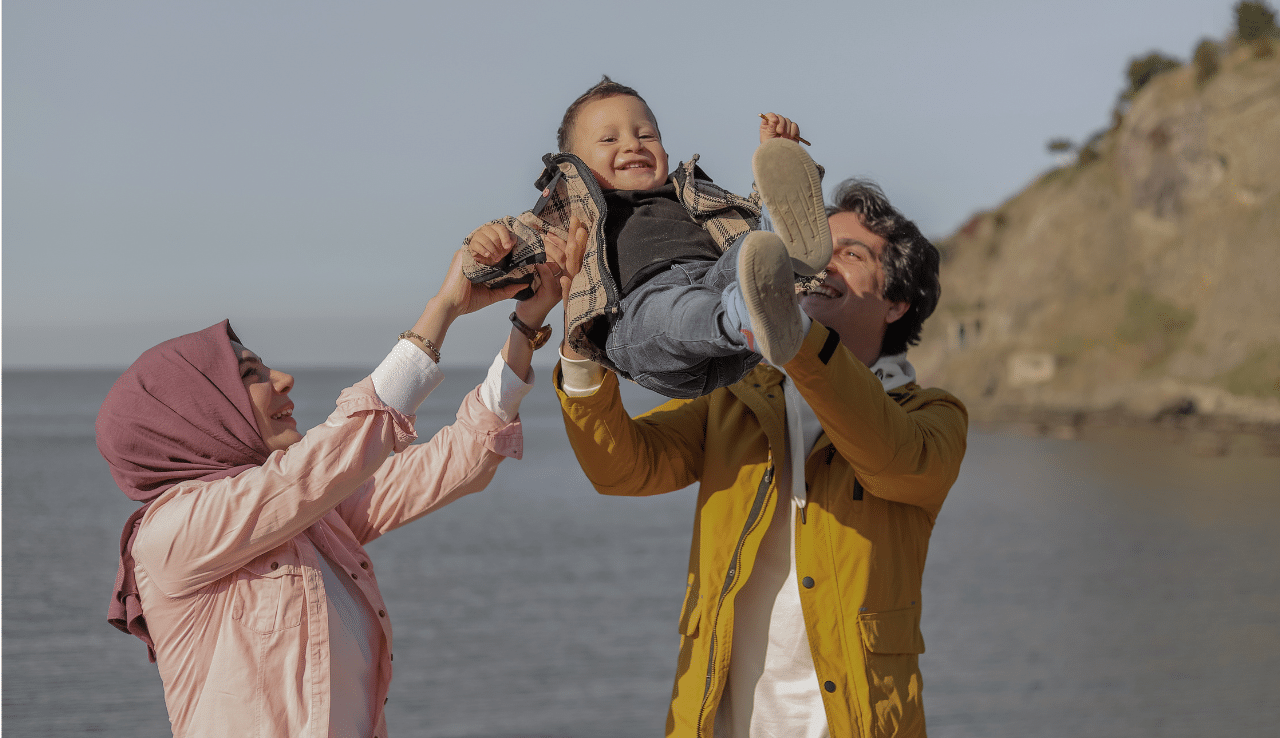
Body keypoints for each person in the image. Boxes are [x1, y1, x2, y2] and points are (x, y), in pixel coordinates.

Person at [555, 178, 968, 737]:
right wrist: (582, 350)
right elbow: (622, 468)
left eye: (851, 255)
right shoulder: (736, 399)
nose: (823, 262)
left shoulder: (932, 418)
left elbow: (887, 455)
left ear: (896, 303)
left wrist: (793, 336)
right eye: (813, 245)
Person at [97, 247, 564, 738]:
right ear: (198, 413)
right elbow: (335, 454)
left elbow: (459, 461)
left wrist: (525, 328)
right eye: (251, 375)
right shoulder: (171, 535)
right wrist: (444, 306)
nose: (283, 380)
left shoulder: (309, 517)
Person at [462, 76, 832, 399]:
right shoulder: (570, 215)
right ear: (575, 166)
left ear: (665, 152)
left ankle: (782, 252)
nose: (633, 145)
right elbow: (507, 261)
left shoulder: (693, 195)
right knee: (674, 311)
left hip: (718, 287)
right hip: (639, 319)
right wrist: (488, 248)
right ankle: (747, 315)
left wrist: (778, 156)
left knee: (751, 250)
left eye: (646, 135)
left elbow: (744, 222)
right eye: (610, 138)